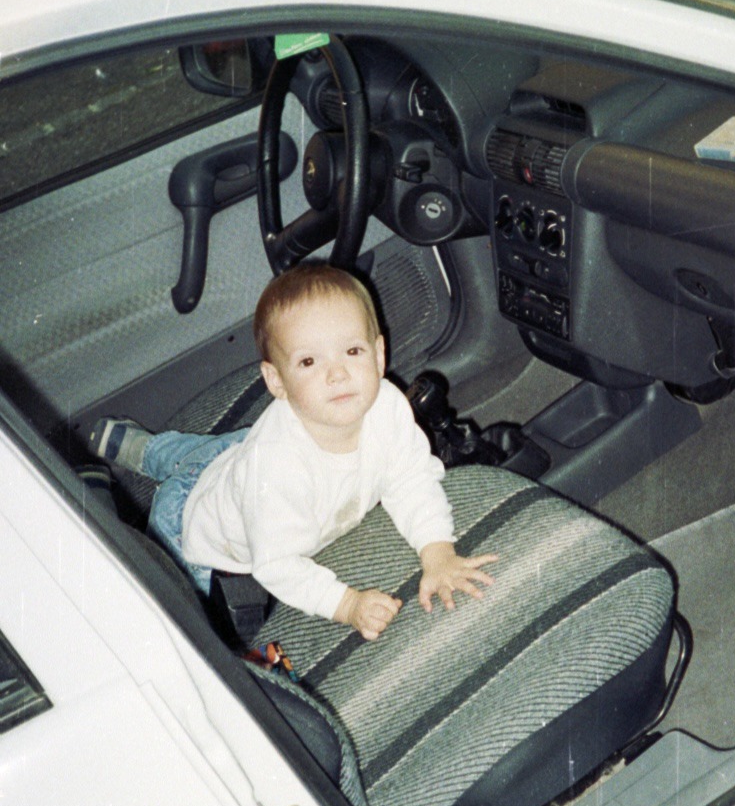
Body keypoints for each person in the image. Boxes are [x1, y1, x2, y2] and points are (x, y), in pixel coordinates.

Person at [89, 263, 496, 640]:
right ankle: (146, 453)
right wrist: (347, 604)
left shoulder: (387, 406)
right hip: (192, 522)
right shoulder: (278, 467)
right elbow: (276, 565)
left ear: (379, 354)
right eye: (308, 361)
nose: (336, 373)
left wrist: (437, 551)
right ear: (276, 381)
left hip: (234, 461)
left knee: (211, 456)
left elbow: (410, 478)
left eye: (352, 351)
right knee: (191, 625)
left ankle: (146, 448)